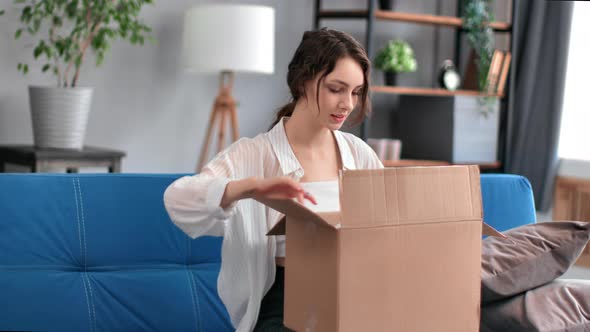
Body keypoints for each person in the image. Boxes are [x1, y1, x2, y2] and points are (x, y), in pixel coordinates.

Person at [163, 27, 383, 332]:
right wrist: (250, 188)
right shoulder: (253, 154)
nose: (348, 103)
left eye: (356, 92)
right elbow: (177, 199)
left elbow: (386, 230)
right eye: (336, 88)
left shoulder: (359, 155)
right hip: (283, 306)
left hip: (354, 296)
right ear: (304, 81)